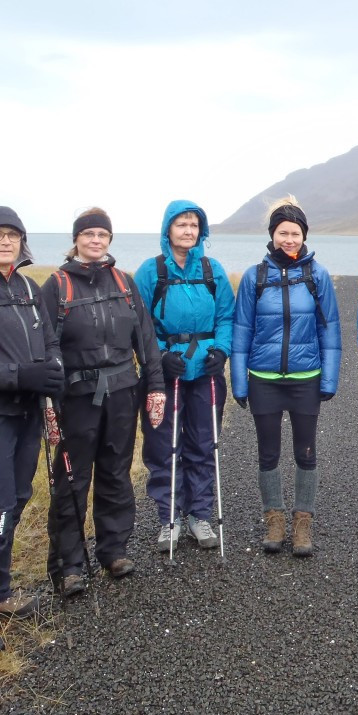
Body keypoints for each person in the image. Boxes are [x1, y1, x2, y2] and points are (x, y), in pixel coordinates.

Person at [41, 208, 165, 594]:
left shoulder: (124, 283)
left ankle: (113, 550)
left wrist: (156, 385)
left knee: (116, 472)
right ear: (76, 238)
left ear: (110, 240)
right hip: (75, 399)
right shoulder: (56, 286)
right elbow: (44, 347)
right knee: (72, 480)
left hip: (123, 395)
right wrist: (47, 402)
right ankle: (70, 565)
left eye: (103, 235)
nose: (96, 240)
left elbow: (145, 339)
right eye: (89, 234)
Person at [0, 205, 63, 659]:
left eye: (13, 235)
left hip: (28, 414)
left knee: (17, 501)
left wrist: (51, 373)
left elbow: (48, 344)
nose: (6, 241)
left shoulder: (27, 286)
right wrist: (18, 375)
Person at [231, 197, 341, 557]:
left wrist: (329, 379)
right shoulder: (254, 276)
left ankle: (303, 522)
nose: (289, 239)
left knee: (306, 452)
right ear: (272, 235)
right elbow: (241, 330)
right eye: (283, 233)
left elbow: (331, 329)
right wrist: (240, 381)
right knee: (268, 454)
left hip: (305, 377)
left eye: (295, 233)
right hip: (263, 378)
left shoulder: (317, 275)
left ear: (304, 235)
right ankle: (274, 518)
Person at [135, 200, 235, 552]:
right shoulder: (151, 272)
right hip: (166, 375)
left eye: (194, 225)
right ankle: (169, 517)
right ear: (168, 230)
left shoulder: (213, 270)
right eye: (182, 225)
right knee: (164, 445)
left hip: (207, 369)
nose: (189, 231)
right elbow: (141, 324)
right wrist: (161, 355)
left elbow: (226, 316)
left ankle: (199, 514)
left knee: (203, 443)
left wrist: (221, 350)